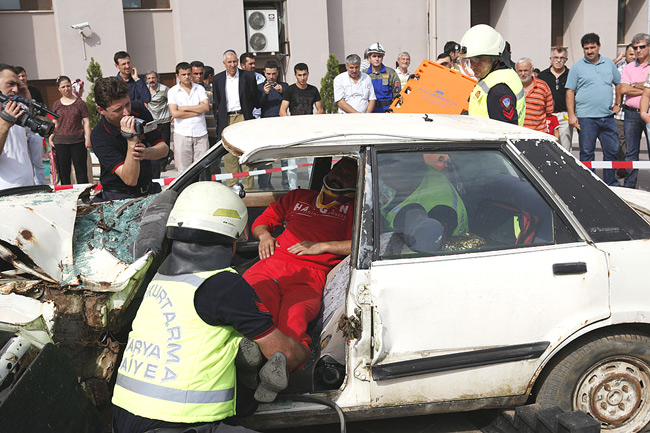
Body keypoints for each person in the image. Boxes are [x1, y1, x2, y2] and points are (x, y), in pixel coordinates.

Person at [112, 181, 308, 433]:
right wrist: (303, 350)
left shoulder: (160, 276)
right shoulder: (223, 285)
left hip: (125, 417)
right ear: (234, 236)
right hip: (173, 424)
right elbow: (285, 354)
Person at [243, 158, 358, 368]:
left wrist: (322, 246)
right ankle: (250, 363)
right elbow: (262, 221)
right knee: (253, 308)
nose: (338, 177)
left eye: (348, 176)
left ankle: (280, 370)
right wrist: (265, 237)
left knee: (293, 323)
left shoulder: (354, 210)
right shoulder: (299, 196)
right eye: (338, 170)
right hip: (271, 263)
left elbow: (361, 243)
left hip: (310, 276)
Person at [90, 77, 168, 201]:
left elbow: (164, 149)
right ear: (101, 110)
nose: (126, 113)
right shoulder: (99, 136)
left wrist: (145, 153)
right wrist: (131, 140)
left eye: (127, 104)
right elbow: (130, 179)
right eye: (118, 109)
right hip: (118, 196)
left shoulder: (139, 111)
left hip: (149, 189)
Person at [566, 32, 621, 186]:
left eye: (592, 47)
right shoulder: (576, 67)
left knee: (611, 152)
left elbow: (619, 84)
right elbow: (570, 91)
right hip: (585, 118)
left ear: (599, 46)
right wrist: (572, 114)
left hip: (607, 117)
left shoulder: (609, 64)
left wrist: (618, 104)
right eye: (586, 48)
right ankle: (590, 185)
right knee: (587, 153)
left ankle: (611, 184)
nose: (589, 51)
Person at [459, 24, 525, 126]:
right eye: (469, 61)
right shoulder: (495, 77)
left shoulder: (498, 89)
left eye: (477, 60)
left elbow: (505, 133)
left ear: (495, 59)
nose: (472, 66)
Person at [212, 50, 259, 188]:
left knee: (245, 151)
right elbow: (217, 100)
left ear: (238, 62)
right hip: (227, 118)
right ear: (224, 63)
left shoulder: (248, 77)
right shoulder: (217, 79)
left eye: (234, 62)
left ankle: (249, 188)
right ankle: (232, 186)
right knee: (229, 154)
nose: (232, 65)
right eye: (229, 62)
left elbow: (254, 98)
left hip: (244, 116)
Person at [280, 63, 323, 190]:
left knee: (311, 164)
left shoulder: (313, 89)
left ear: (308, 74)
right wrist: (290, 124)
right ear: (295, 75)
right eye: (299, 75)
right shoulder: (290, 90)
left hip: (310, 131)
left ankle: (313, 190)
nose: (302, 78)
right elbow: (282, 110)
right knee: (292, 164)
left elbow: (320, 110)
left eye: (304, 75)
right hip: (294, 131)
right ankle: (292, 191)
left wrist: (311, 121)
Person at [168, 61, 210, 173]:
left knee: (202, 168)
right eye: (183, 74)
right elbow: (175, 113)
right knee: (184, 170)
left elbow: (206, 108)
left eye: (188, 74)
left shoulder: (199, 89)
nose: (187, 77)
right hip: (182, 134)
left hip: (200, 133)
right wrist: (197, 110)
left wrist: (183, 108)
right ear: (177, 76)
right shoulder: (172, 91)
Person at [620, 34, 650, 189]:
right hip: (631, 113)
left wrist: (636, 86)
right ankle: (629, 186)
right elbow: (624, 89)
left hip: (649, 113)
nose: (638, 50)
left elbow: (629, 88)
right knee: (631, 152)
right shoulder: (629, 67)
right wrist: (645, 88)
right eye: (635, 47)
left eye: (642, 47)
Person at [50, 75, 91, 185]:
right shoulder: (56, 104)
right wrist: (51, 136)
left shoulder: (80, 103)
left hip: (77, 140)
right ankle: (65, 195)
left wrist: (88, 138)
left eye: (68, 86)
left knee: (81, 171)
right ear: (59, 89)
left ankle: (84, 195)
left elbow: (86, 122)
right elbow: (55, 123)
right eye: (63, 87)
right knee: (64, 172)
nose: (66, 89)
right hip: (60, 141)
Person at [0, 64, 34, 190]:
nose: (15, 90)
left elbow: (48, 129)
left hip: (27, 186)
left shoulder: (18, 108)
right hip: (5, 192)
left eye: (18, 85)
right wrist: (5, 123)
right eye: (10, 84)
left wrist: (30, 102)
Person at [257, 61, 288, 191]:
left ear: (278, 73)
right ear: (264, 73)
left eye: (273, 74)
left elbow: (290, 102)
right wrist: (265, 93)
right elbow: (257, 105)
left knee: (285, 157)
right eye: (268, 74)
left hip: (282, 125)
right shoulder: (259, 87)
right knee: (266, 158)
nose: (271, 77)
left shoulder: (285, 86)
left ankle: (286, 185)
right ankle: (265, 185)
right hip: (266, 125)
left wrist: (282, 92)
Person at [538, 47, 574, 151]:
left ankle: (565, 167)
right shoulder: (542, 76)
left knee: (565, 147)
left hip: (564, 115)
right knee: (547, 146)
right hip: (548, 116)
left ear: (566, 59)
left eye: (562, 58)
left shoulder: (571, 75)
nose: (558, 60)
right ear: (551, 59)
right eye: (556, 57)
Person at [15, 65, 45, 185]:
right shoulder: (12, 93)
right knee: (24, 159)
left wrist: (29, 97)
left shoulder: (34, 91)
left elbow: (41, 110)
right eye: (19, 76)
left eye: (23, 75)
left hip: (34, 127)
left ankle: (41, 185)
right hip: (20, 129)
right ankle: (29, 184)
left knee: (38, 161)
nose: (22, 78)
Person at [516, 58, 554, 132]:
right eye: (520, 71)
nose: (523, 74)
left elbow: (549, 112)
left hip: (538, 133)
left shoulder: (543, 86)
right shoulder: (512, 87)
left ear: (532, 70)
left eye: (526, 70)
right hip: (517, 133)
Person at [146, 71, 172, 175]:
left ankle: (163, 165)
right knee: (154, 143)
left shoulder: (165, 89)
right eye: (149, 78)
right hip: (152, 122)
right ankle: (156, 163)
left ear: (157, 78)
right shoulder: (146, 90)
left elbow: (171, 102)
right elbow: (145, 102)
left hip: (164, 120)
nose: (151, 80)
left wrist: (172, 114)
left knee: (165, 142)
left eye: (153, 78)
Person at [364, 42, 400, 113]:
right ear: (369, 58)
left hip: (387, 110)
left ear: (382, 57)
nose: (377, 59)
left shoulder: (391, 73)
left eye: (379, 56)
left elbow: (397, 94)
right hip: (369, 110)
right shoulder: (364, 74)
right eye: (374, 56)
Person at [240, 52, 266, 120]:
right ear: (242, 65)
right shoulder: (238, 79)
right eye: (250, 64)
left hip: (259, 116)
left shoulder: (261, 78)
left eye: (254, 63)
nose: (253, 66)